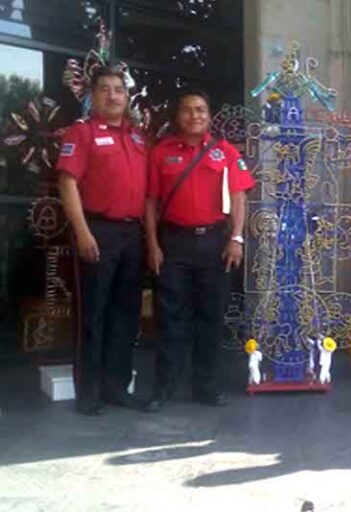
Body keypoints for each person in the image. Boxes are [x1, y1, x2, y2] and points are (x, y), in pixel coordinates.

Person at [144, 89, 254, 411]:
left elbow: (239, 197)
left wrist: (236, 238)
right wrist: (152, 243)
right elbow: (150, 201)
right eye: (188, 110)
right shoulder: (161, 152)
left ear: (209, 115)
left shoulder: (226, 152)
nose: (195, 115)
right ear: (179, 116)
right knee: (171, 318)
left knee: (211, 317)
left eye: (201, 109)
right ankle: (165, 386)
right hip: (173, 244)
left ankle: (205, 385)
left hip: (214, 244)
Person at [57, 66, 148, 415]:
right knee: (93, 315)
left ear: (127, 98)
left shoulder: (138, 137)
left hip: (131, 234)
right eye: (105, 90)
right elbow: (67, 183)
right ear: (92, 96)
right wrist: (82, 231)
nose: (113, 96)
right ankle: (89, 393)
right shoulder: (82, 133)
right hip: (97, 230)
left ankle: (116, 388)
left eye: (119, 90)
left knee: (125, 315)